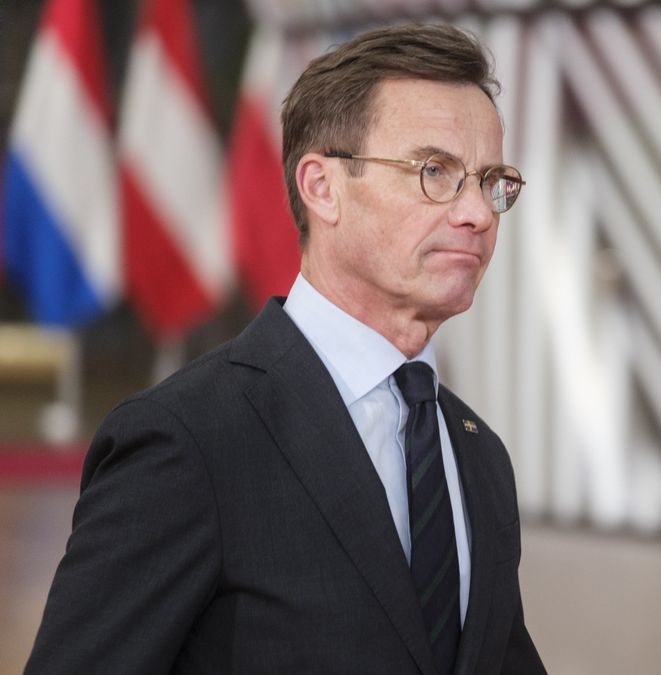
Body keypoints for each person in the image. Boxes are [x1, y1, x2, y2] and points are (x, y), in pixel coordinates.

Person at [26, 23, 545, 674]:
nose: (477, 212)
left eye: (491, 180)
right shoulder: (188, 438)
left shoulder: (478, 453)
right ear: (322, 187)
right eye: (435, 171)